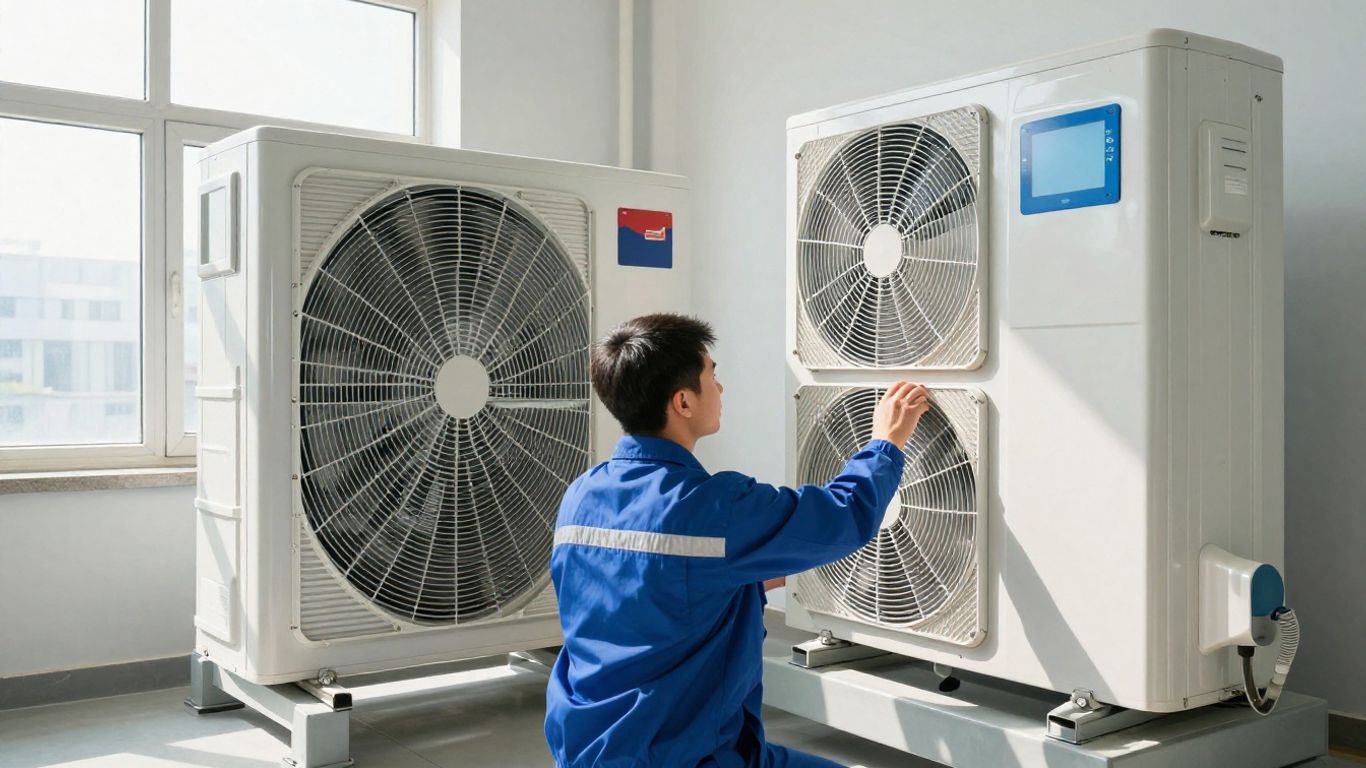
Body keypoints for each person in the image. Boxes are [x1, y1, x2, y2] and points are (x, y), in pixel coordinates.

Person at [544, 313, 930, 768]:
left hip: (587, 750)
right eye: (713, 374)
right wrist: (886, 441)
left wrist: (744, 586)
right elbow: (841, 516)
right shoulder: (712, 507)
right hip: (684, 756)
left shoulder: (581, 495)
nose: (721, 388)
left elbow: (641, 593)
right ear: (683, 402)